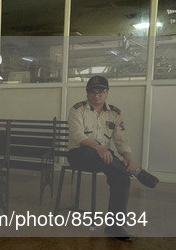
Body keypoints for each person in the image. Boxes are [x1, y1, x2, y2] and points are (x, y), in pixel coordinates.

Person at [67, 75, 158, 241]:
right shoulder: (77, 109)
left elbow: (121, 139)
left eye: (101, 91)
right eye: (93, 92)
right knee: (89, 150)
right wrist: (99, 148)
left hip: (104, 158)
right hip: (79, 155)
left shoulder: (115, 114)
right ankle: (136, 172)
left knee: (122, 178)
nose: (97, 95)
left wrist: (128, 157)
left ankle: (114, 225)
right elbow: (78, 135)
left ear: (107, 93)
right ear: (87, 94)